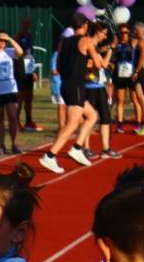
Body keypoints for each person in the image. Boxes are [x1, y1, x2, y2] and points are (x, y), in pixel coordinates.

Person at [40, 14, 104, 175]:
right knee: (72, 123)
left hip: (66, 84)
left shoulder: (64, 42)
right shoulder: (87, 41)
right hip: (76, 85)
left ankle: (77, 147)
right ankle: (50, 155)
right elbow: (97, 64)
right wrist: (92, 63)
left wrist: (80, 65)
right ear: (85, 25)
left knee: (91, 116)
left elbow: (59, 65)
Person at [82, 24, 121, 160]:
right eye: (103, 33)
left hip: (99, 86)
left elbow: (102, 64)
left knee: (105, 117)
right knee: (88, 118)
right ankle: (85, 148)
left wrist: (110, 50)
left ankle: (106, 148)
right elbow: (96, 65)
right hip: (89, 88)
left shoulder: (96, 48)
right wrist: (110, 50)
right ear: (97, 32)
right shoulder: (87, 45)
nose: (104, 36)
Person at [111, 24, 140, 134]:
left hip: (131, 75)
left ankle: (138, 123)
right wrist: (111, 64)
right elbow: (112, 58)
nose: (124, 35)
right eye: (122, 33)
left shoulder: (133, 43)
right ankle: (120, 124)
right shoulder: (116, 45)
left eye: (126, 32)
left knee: (135, 99)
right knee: (120, 99)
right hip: (119, 75)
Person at [14, 18, 40, 132]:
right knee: (20, 96)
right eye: (25, 23)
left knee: (29, 96)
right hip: (20, 69)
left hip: (29, 68)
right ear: (21, 24)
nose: (27, 25)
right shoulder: (17, 37)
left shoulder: (29, 36)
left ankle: (28, 120)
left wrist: (33, 71)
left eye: (28, 23)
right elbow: (18, 55)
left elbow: (30, 55)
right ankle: (16, 120)